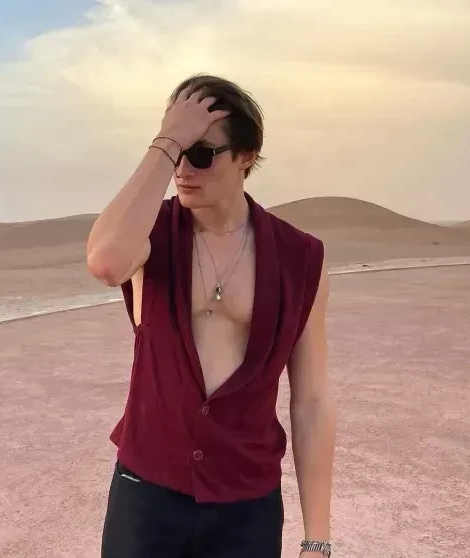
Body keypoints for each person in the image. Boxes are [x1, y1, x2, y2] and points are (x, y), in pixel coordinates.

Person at [86, 74, 336, 558]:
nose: (182, 169)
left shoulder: (300, 258)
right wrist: (168, 140)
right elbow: (105, 263)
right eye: (176, 153)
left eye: (200, 154)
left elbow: (312, 401)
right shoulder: (149, 233)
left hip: (246, 505)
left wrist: (317, 540)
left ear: (246, 156)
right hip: (146, 494)